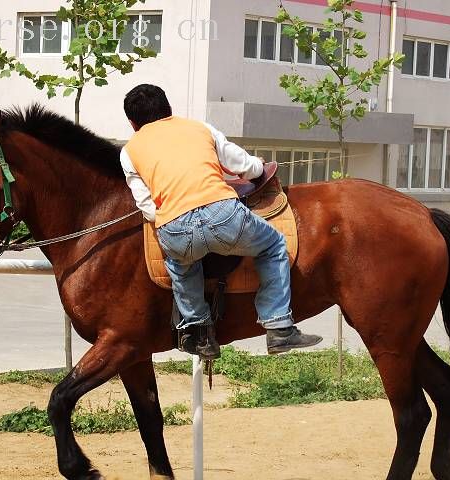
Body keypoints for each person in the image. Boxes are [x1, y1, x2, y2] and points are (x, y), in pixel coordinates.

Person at [120, 84, 322, 359]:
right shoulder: (199, 128)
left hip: (174, 226)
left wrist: (175, 220)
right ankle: (278, 328)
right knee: (274, 244)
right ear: (169, 110)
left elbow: (146, 206)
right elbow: (244, 166)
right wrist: (259, 166)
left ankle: (200, 334)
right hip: (222, 215)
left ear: (133, 124)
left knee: (180, 263)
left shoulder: (129, 151)